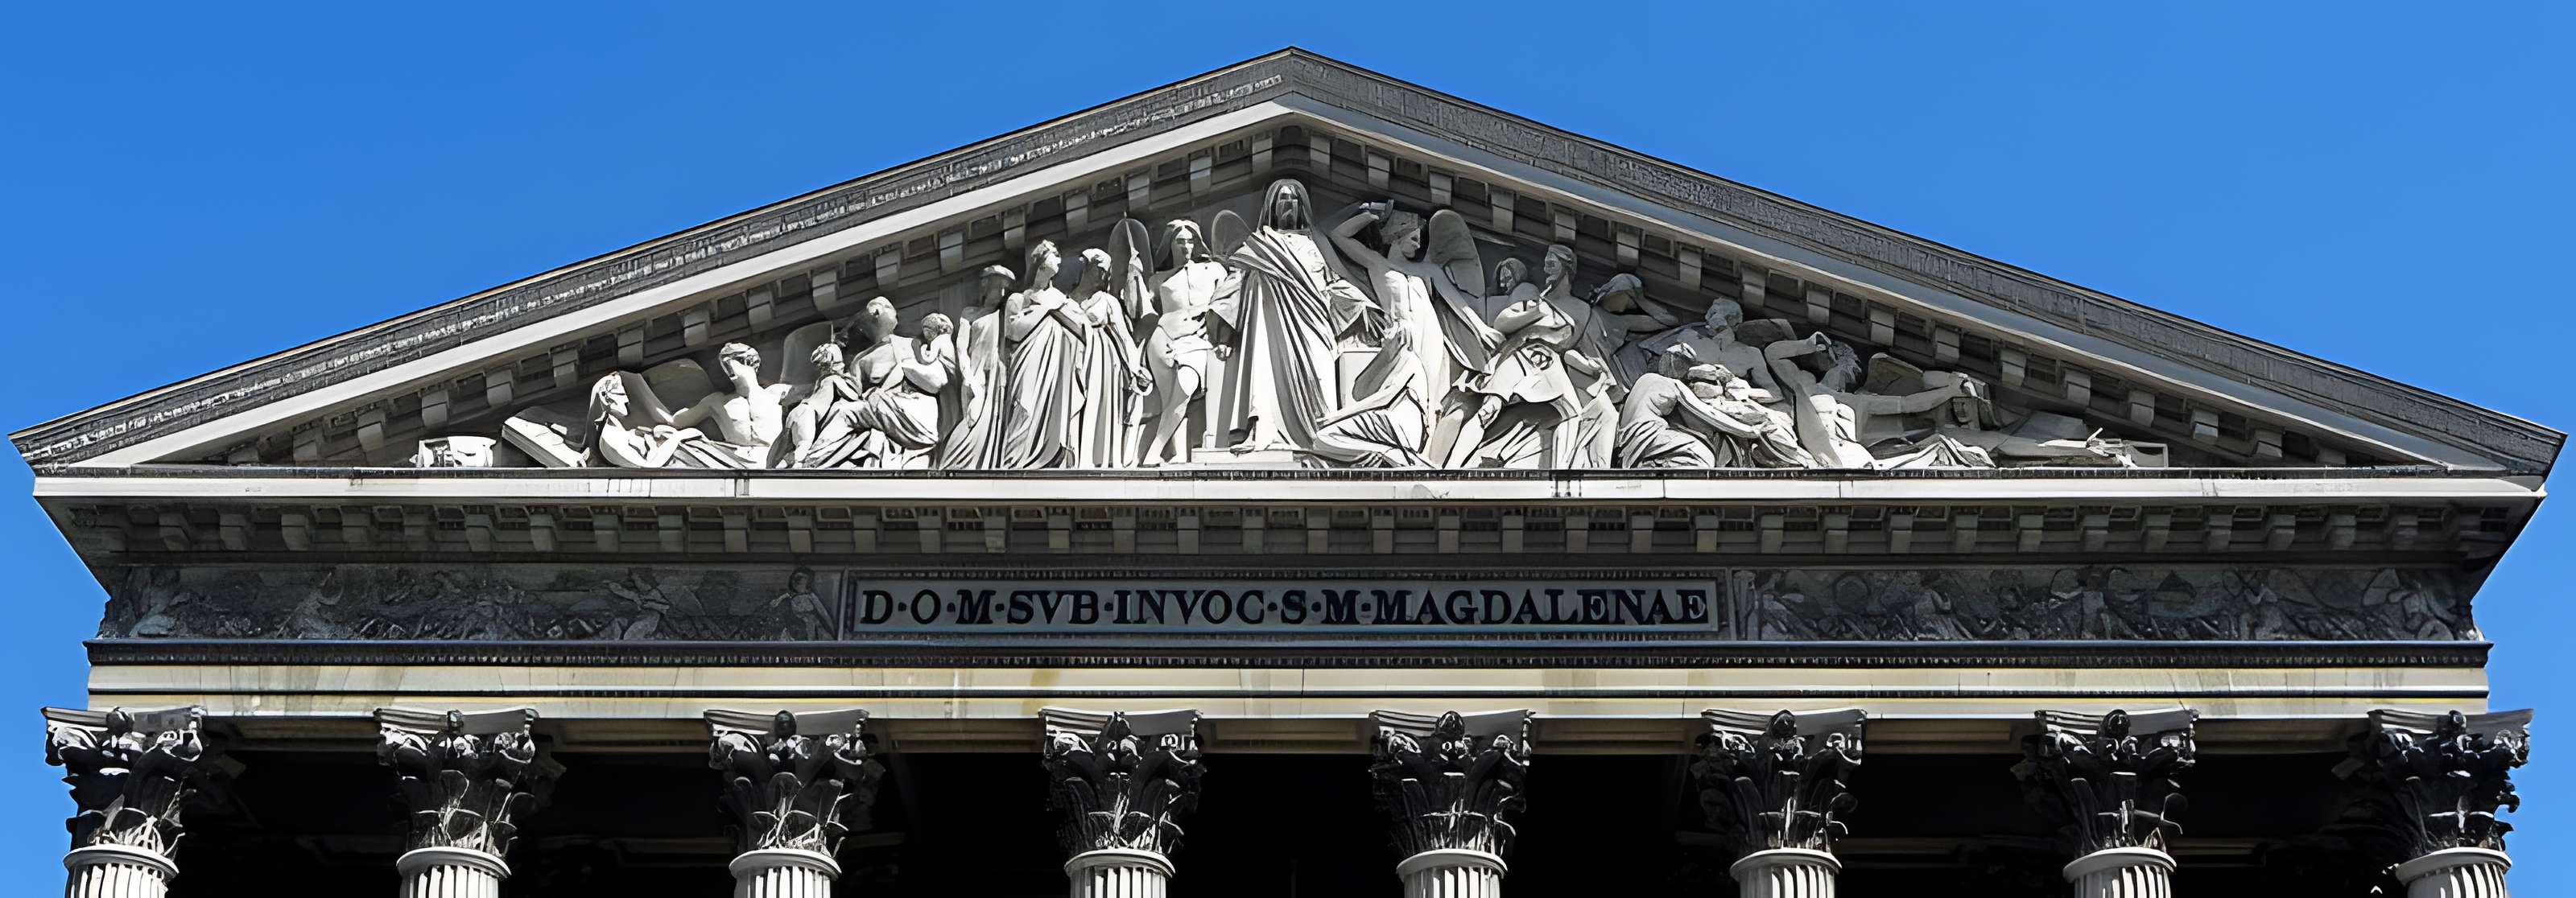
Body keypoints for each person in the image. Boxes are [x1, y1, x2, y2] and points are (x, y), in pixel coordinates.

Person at [1205, 179, 1378, 453]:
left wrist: (1364, 306)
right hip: (1268, 325)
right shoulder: (1258, 246)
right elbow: (1234, 285)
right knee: (1263, 374)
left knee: (1318, 378)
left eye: (1293, 199)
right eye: (1282, 199)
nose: (1288, 205)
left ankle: (1322, 435)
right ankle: (1263, 426)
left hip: (1313, 324)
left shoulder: (1315, 246)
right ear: (1272, 208)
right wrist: (1223, 332)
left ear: (1302, 207)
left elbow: (1332, 284)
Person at [1330, 202, 1495, 420]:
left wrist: (1481, 328)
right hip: (1401, 332)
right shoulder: (1378, 264)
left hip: (1429, 332)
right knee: (1402, 388)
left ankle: (1425, 441)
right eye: (1414, 238)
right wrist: (1371, 215)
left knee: (1429, 392)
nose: (1419, 247)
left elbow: (1456, 302)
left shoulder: (1428, 270)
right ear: (1398, 233)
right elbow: (1338, 235)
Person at [792, 298, 955, 468]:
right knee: (842, 409)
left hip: (915, 414)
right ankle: (810, 462)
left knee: (842, 412)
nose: (895, 313)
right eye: (890, 308)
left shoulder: (912, 344)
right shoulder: (862, 360)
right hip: (899, 416)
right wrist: (833, 369)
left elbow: (938, 379)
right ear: (876, 313)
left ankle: (809, 464)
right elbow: (850, 391)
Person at [996, 241, 1091, 469]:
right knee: (1024, 406)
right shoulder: (1020, 298)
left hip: (1057, 368)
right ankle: (1014, 462)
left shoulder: (1062, 299)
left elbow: (1084, 328)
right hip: (1028, 361)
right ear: (1039, 262)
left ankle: (1054, 455)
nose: (1059, 259)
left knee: (1056, 411)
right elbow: (1013, 331)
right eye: (1054, 255)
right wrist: (1044, 308)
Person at [1139, 221, 1226, 466]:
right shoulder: (1158, 280)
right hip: (1164, 341)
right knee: (1174, 400)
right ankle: (1178, 455)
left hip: (1200, 340)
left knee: (1186, 385)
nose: (1186, 246)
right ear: (1170, 244)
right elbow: (1144, 314)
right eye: (1180, 241)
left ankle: (1154, 451)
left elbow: (1227, 303)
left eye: (1190, 240)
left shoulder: (1214, 270)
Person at [1071, 247, 1151, 468]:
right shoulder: (1068, 301)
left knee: (1098, 406)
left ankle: (1096, 458)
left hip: (1101, 364)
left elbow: (1125, 337)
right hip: (1073, 363)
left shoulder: (1107, 301)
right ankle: (1073, 457)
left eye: (1106, 271)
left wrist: (1136, 368)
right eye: (1100, 269)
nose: (1103, 276)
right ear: (1087, 268)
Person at [1308, 327, 1433, 467]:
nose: (1384, 332)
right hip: (1390, 428)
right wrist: (1384, 356)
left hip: (1402, 428)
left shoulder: (1409, 359)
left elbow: (1384, 400)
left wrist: (1336, 417)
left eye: (1391, 327)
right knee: (1322, 441)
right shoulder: (1393, 360)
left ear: (1400, 336)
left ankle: (1399, 456)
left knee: (1324, 437)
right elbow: (1359, 393)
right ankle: (1390, 454)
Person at [936, 265, 1018, 468]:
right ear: (985, 286)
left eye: (1006, 289)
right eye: (998, 286)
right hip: (977, 376)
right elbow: (961, 349)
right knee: (973, 417)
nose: (1001, 293)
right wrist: (968, 377)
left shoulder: (1004, 316)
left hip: (998, 378)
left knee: (998, 421)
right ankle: (961, 463)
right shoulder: (970, 314)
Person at [664, 343, 792, 467]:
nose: (728, 368)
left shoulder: (777, 392)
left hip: (776, 457)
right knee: (678, 446)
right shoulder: (717, 401)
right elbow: (674, 421)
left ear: (749, 362)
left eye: (730, 361)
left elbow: (811, 396)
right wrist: (643, 389)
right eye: (724, 364)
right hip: (733, 460)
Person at [579, 374, 745, 468]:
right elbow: (648, 467)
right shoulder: (610, 437)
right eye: (621, 396)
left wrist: (655, 438)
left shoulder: (618, 429)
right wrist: (677, 437)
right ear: (605, 398)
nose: (627, 402)